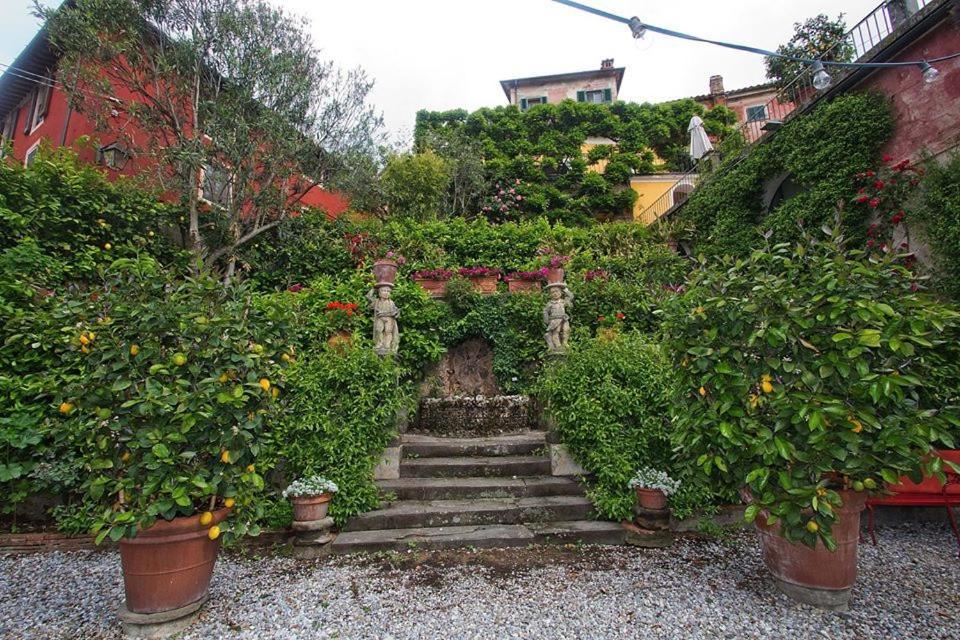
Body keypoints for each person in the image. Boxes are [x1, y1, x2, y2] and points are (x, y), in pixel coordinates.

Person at [367, 285, 400, 355]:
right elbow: (368, 297)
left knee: (388, 332)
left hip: (389, 319)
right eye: (384, 291)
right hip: (380, 319)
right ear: (379, 293)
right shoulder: (376, 302)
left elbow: (395, 312)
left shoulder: (391, 302)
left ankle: (387, 345)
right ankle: (379, 344)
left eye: (388, 291)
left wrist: (384, 313)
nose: (386, 293)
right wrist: (373, 289)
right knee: (379, 330)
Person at [543, 284, 573, 353]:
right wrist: (546, 320)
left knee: (567, 330)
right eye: (552, 292)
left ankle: (565, 342)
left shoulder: (563, 301)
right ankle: (558, 346)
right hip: (554, 320)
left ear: (561, 292)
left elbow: (571, 296)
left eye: (557, 291)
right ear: (550, 294)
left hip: (564, 318)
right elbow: (545, 311)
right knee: (556, 332)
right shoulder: (550, 303)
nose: (555, 294)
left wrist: (565, 289)